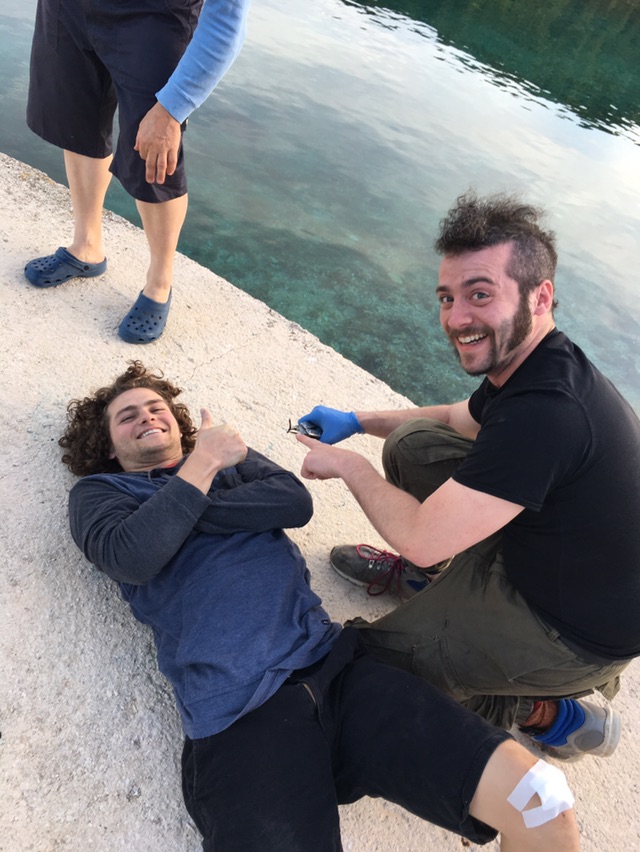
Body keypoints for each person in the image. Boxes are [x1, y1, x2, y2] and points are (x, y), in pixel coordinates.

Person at [58, 361, 579, 852]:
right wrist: (203, 464)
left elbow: (293, 502)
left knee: (541, 801)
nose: (148, 417)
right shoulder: (102, 493)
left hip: (337, 667)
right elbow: (133, 555)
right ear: (108, 447)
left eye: (156, 408)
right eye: (128, 416)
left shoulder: (231, 461)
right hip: (239, 715)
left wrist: (181, 510)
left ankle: (537, 713)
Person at [295, 191, 640, 761]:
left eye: (480, 294)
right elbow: (458, 419)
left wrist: (349, 465)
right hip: (557, 554)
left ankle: (551, 709)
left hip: (574, 628)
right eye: (447, 298)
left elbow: (421, 537)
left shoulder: (549, 411)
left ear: (540, 296)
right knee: (413, 444)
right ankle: (435, 585)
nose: (456, 319)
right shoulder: (532, 365)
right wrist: (357, 421)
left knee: (371, 670)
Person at [24, 0, 251, 343]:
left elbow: (227, 19)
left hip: (152, 17)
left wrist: (173, 108)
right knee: (77, 125)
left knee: (154, 157)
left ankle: (159, 283)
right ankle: (86, 246)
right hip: (68, 9)